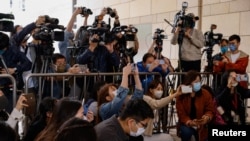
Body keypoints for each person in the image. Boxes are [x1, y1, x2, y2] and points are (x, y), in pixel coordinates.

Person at [175, 70, 214, 141]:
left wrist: (207, 117)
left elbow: (210, 109)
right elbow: (181, 114)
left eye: (199, 81)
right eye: (196, 82)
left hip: (201, 124)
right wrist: (190, 122)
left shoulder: (205, 93)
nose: (198, 84)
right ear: (189, 83)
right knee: (186, 132)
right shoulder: (182, 95)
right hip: (187, 124)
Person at [0, 32, 32, 113]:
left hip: (8, 89)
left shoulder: (13, 50)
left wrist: (14, 69)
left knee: (11, 115)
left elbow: (28, 64)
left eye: (3, 49)